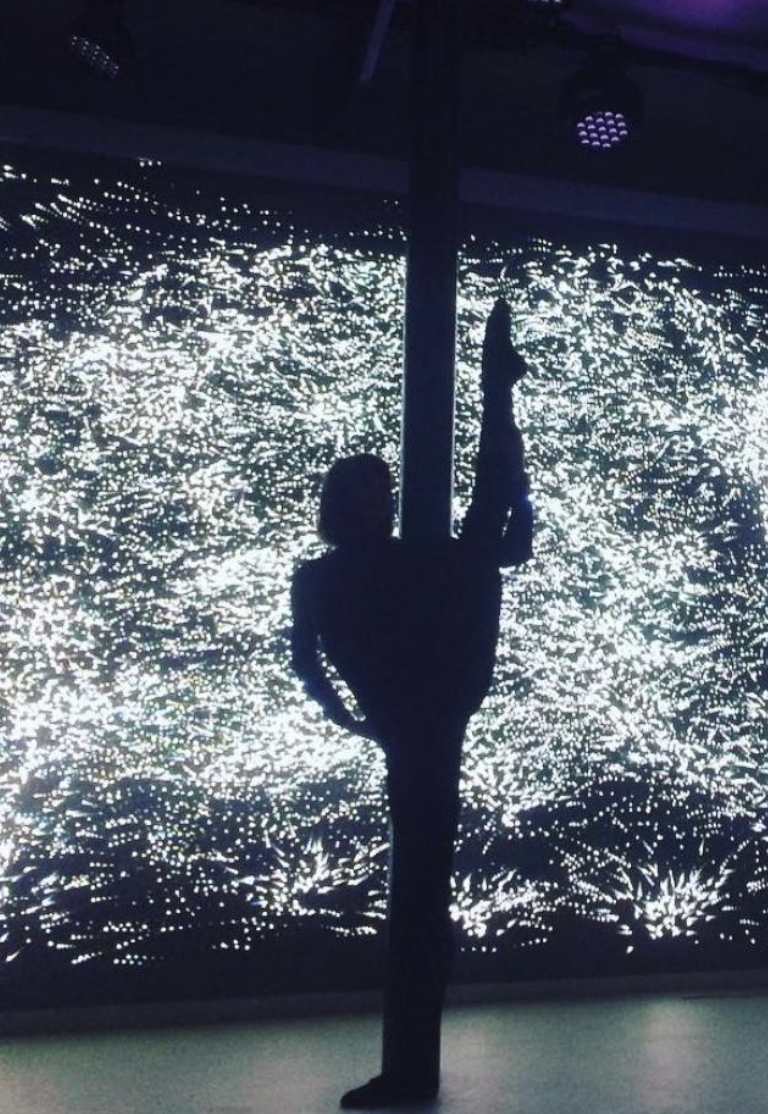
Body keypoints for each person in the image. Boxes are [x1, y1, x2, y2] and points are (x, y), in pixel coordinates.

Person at [291, 298, 532, 1109]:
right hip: (426, 707)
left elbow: (314, 665)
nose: (383, 501)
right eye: (373, 493)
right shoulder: (356, 572)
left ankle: (409, 1069)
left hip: (422, 710)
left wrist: (352, 716)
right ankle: (502, 396)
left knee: (420, 886)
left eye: (381, 491)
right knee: (420, 885)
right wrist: (354, 715)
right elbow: (494, 545)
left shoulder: (342, 573)